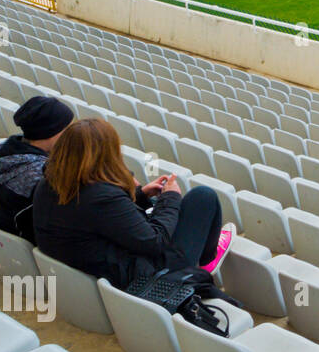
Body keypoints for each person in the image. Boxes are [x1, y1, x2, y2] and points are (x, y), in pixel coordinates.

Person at [32, 118, 232, 288]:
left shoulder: (50, 182)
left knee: (167, 204)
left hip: (98, 258)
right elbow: (155, 242)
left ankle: (204, 253)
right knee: (203, 197)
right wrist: (170, 198)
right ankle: (205, 260)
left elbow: (105, 218)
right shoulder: (101, 197)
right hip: (145, 272)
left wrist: (141, 195)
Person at [0, 96, 74, 242]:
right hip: (30, 241)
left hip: (7, 229)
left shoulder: (4, 152)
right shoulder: (38, 175)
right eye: (67, 129)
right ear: (51, 133)